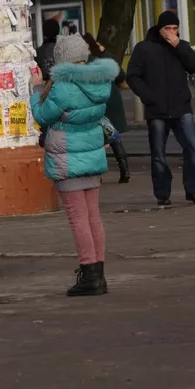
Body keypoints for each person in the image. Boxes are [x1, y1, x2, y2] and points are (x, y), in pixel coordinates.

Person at [31, 34, 119, 297]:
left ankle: (89, 274)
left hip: (67, 155)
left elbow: (41, 115)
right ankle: (98, 275)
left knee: (77, 217)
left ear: (62, 59)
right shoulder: (100, 82)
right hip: (92, 153)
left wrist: (36, 90)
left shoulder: (62, 87)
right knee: (93, 216)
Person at [126, 11, 195, 206]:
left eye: (175, 29)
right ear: (159, 29)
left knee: (192, 148)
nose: (171, 32)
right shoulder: (144, 48)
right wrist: (148, 97)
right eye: (167, 28)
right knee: (158, 155)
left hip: (181, 107)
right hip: (157, 110)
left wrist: (179, 46)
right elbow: (133, 76)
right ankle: (162, 194)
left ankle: (194, 191)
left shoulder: (181, 47)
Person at [82, 33, 129, 183]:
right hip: (111, 99)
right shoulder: (105, 59)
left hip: (96, 103)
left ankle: (98, 174)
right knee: (113, 136)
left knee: (97, 140)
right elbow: (121, 75)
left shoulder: (84, 63)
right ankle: (125, 170)